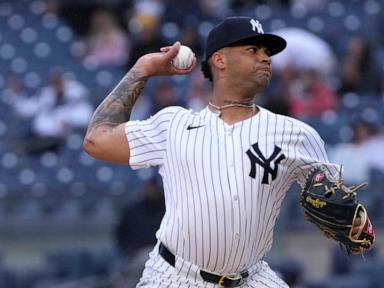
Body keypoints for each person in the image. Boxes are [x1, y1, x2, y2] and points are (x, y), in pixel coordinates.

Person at [84, 16, 368, 288]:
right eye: (252, 49)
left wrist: (357, 227)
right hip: (173, 277)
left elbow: (347, 214)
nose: (265, 57)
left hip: (251, 278)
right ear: (219, 60)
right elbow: (97, 140)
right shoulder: (174, 124)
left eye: (267, 51)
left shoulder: (297, 135)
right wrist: (142, 69)